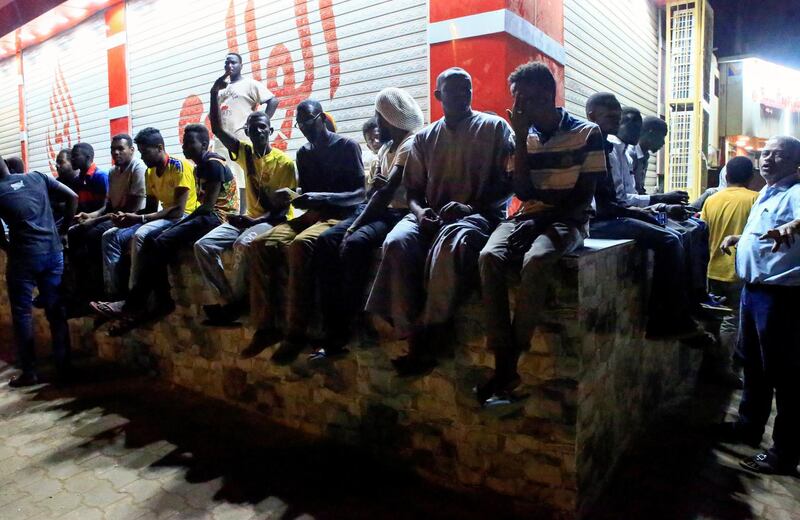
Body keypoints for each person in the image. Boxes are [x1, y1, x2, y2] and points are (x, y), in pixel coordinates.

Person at [366, 67, 514, 376]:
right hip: (430, 213)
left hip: (478, 216)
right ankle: (406, 328)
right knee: (396, 241)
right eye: (454, 91)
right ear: (438, 96)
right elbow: (414, 193)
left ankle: (430, 332)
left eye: (467, 90)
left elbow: (510, 183)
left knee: (451, 244)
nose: (462, 96)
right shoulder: (425, 138)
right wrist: (421, 214)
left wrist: (470, 206)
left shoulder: (495, 128)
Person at [477, 62, 604, 404]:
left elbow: (582, 198)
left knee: (538, 258)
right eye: (516, 101)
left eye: (526, 101)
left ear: (548, 96)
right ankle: (503, 360)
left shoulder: (586, 133)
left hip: (570, 220)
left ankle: (508, 363)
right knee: (489, 256)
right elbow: (520, 189)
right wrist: (519, 137)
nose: (518, 109)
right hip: (525, 216)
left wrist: (540, 220)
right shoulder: (521, 135)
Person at [246, 99, 364, 363]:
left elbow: (359, 194)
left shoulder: (347, 146)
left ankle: (295, 332)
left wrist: (320, 197)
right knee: (260, 244)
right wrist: (291, 196)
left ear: (321, 117)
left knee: (300, 245)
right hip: (312, 214)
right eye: (299, 124)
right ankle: (266, 327)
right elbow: (306, 192)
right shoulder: (304, 153)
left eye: (308, 121)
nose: (304, 128)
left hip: (338, 216)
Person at [310, 87, 424, 360]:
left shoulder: (409, 144)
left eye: (379, 116)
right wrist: (356, 217)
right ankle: (331, 326)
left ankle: (346, 329)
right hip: (376, 210)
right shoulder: (386, 149)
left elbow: (385, 193)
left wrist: (353, 226)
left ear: (388, 118)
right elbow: (373, 191)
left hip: (394, 214)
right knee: (325, 242)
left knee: (355, 245)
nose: (376, 122)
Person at [91, 124, 237, 328]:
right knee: (153, 242)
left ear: (204, 144)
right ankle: (154, 299)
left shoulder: (210, 163)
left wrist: (181, 223)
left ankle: (136, 303)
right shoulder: (199, 166)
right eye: (184, 142)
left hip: (219, 217)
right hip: (205, 215)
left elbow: (208, 208)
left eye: (189, 143)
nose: (184, 146)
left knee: (160, 241)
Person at [714, 136, 800, 475]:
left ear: (795, 162)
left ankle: (784, 452)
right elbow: (764, 233)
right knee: (753, 364)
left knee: (785, 374)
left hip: (782, 296)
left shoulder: (795, 191)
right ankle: (749, 427)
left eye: (778, 155)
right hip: (755, 290)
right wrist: (740, 239)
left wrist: (791, 226)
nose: (767, 159)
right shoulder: (769, 191)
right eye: (765, 153)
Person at [586, 93, 703, 340]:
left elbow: (621, 199)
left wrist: (651, 209)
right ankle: (665, 321)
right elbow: (614, 203)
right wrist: (656, 206)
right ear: (592, 116)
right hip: (600, 222)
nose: (616, 124)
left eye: (618, 119)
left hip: (618, 214)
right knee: (670, 237)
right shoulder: (592, 146)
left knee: (685, 230)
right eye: (612, 118)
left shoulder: (614, 149)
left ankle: (690, 304)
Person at [194, 74, 297, 326]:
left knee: (242, 244)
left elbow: (281, 213)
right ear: (247, 131)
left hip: (271, 222)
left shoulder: (284, 162)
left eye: (263, 126)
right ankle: (228, 300)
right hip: (249, 218)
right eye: (253, 127)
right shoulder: (245, 153)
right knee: (203, 246)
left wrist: (251, 220)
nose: (259, 130)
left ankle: (238, 304)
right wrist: (213, 93)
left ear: (270, 130)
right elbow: (218, 129)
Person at [0, 154, 77, 387]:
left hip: (23, 259)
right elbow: (72, 197)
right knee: (56, 311)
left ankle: (30, 372)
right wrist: (63, 230)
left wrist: (9, 249)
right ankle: (64, 369)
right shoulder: (37, 177)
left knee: (23, 315)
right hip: (53, 253)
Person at [99, 128, 198, 299]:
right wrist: (127, 219)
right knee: (110, 235)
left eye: (145, 152)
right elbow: (151, 208)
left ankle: (134, 296)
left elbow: (177, 209)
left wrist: (140, 219)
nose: (142, 157)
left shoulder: (178, 167)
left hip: (183, 217)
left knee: (141, 234)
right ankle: (113, 293)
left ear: (160, 148)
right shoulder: (150, 172)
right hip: (165, 217)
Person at [66, 134, 146, 303]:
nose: (116, 153)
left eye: (120, 149)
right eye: (113, 150)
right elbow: (108, 206)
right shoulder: (112, 172)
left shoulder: (137, 167)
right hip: (114, 216)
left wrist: (97, 220)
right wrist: (91, 215)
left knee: (94, 234)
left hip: (131, 218)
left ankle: (107, 292)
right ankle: (82, 289)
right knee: (74, 232)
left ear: (131, 150)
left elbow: (133, 208)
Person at [699, 156, 757, 383]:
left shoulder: (711, 200)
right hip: (738, 270)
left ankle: (710, 366)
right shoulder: (755, 199)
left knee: (714, 319)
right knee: (732, 320)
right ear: (751, 177)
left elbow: (702, 232)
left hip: (712, 269)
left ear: (727, 175)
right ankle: (723, 369)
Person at [216, 52, 278, 203]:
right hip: (221, 140)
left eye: (233, 63)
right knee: (225, 177)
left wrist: (258, 125)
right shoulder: (221, 89)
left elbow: (273, 101)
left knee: (244, 176)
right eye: (227, 63)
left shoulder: (249, 84)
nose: (229, 66)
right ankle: (229, 211)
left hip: (241, 138)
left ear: (241, 66)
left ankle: (245, 212)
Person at [628, 115, 667, 195]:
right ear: (651, 133)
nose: (663, 143)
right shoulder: (630, 155)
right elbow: (629, 194)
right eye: (662, 137)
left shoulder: (644, 156)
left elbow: (639, 191)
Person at [69, 143, 109, 214]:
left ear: (88, 157)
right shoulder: (77, 180)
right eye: (71, 156)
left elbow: (106, 208)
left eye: (75, 155)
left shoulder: (101, 177)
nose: (71, 159)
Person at [52, 149, 80, 229]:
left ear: (72, 162)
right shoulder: (56, 183)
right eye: (57, 163)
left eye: (61, 162)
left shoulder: (83, 181)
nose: (57, 165)